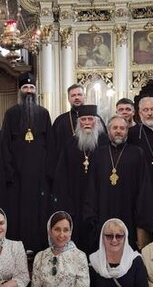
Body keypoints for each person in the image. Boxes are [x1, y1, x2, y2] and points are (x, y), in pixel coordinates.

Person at [1, 72, 55, 253]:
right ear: (20, 91)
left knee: (40, 213)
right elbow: (5, 145)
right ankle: (18, 249)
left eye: (32, 87)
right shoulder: (11, 114)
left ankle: (39, 247)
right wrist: (9, 173)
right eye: (25, 87)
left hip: (40, 177)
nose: (29, 91)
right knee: (18, 213)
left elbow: (51, 145)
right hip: (17, 177)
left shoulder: (44, 113)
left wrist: (48, 174)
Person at [84, 115, 153, 250]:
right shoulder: (98, 154)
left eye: (122, 128)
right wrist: (91, 217)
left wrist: (141, 223)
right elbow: (91, 188)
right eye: (115, 128)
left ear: (127, 131)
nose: (118, 131)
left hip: (129, 215)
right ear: (108, 130)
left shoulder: (137, 154)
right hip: (103, 214)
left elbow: (144, 189)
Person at [54, 104, 108, 253]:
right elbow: (61, 176)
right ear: (79, 123)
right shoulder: (70, 144)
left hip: (98, 201)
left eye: (90, 119)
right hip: (75, 200)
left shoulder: (104, 143)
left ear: (96, 121)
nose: (87, 123)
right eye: (83, 119)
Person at [31, 211, 90, 286]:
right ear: (50, 231)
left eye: (66, 230)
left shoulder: (79, 257)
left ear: (70, 232)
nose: (61, 235)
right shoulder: (40, 257)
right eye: (57, 229)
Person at [89, 218, 149, 286]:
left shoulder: (135, 261)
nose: (114, 240)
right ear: (102, 238)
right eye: (109, 236)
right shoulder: (94, 262)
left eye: (119, 236)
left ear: (125, 238)